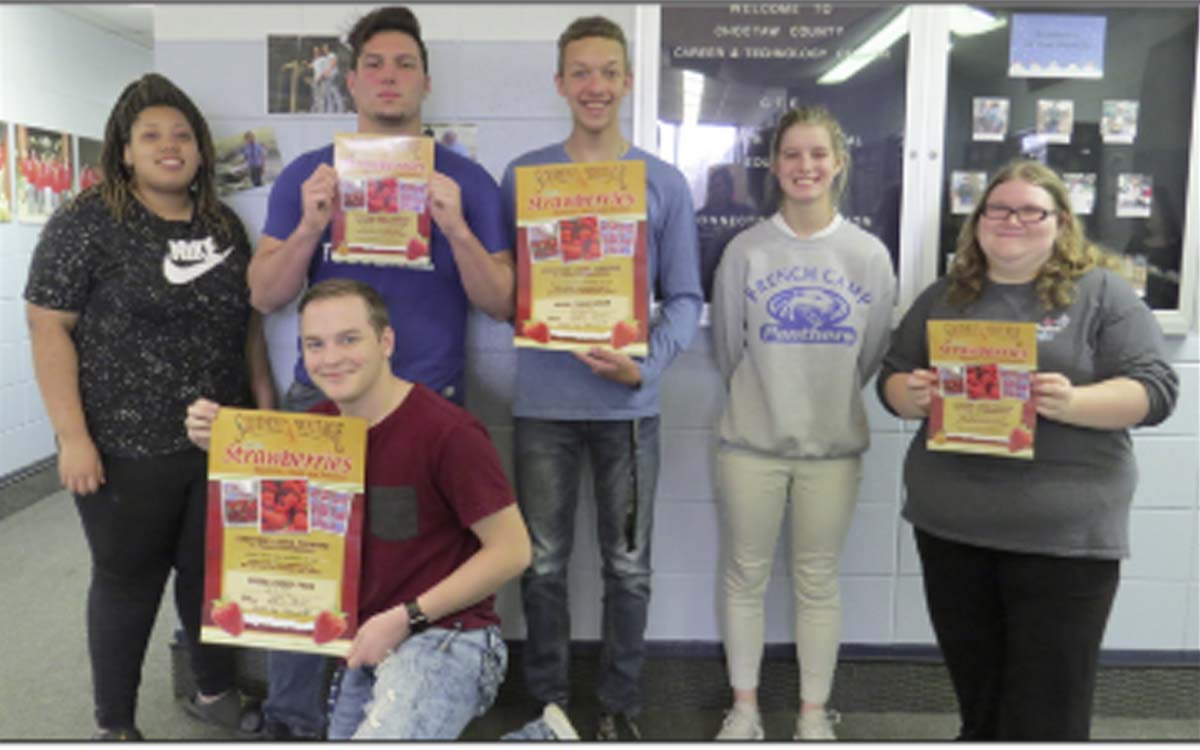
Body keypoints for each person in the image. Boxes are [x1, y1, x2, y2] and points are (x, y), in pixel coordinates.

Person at [246, 5, 512, 739]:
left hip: (427, 405)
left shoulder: (466, 180)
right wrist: (311, 224)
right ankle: (292, 718)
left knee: (409, 570)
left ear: (425, 80)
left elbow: (501, 302)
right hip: (323, 401)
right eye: (374, 65)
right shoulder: (307, 176)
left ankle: (393, 712)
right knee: (300, 566)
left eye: (404, 64)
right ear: (352, 82)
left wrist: (455, 226)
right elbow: (264, 295)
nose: (389, 77)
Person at [877, 160, 1179, 741]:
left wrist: (1073, 402)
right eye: (998, 209)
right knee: (981, 700)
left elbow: (1157, 391)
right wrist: (909, 396)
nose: (1011, 220)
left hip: (1062, 536)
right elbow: (893, 376)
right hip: (953, 528)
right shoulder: (946, 295)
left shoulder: (1102, 292)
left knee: (1048, 712)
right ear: (978, 219)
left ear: (1060, 221)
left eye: (1030, 211)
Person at [23, 72, 274, 741]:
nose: (170, 146)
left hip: (219, 441)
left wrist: (264, 413)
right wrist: (72, 437)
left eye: (182, 135)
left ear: (199, 149)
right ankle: (114, 725)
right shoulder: (87, 221)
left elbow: (247, 329)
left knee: (208, 576)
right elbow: (47, 327)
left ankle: (214, 691)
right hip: (123, 447)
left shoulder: (223, 225)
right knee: (127, 581)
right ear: (126, 150)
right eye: (152, 135)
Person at [184, 279, 539, 740]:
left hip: (449, 637)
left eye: (349, 339)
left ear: (385, 342)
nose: (331, 358)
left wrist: (405, 617)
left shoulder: (448, 432)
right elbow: (273, 530)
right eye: (315, 344)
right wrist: (223, 448)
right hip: (367, 645)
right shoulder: (311, 434)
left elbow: (513, 551)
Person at [499, 15, 702, 741]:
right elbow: (503, 288)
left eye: (608, 72)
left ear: (628, 81)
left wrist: (647, 365)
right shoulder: (524, 178)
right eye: (580, 72)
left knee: (628, 568)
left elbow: (687, 297)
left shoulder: (663, 182)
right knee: (543, 566)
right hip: (543, 406)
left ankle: (621, 706)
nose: (595, 86)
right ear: (560, 82)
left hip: (629, 408)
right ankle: (548, 705)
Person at [709, 106, 896, 741]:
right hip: (751, 445)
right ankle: (745, 709)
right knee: (746, 576)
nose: (805, 166)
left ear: (839, 163)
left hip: (832, 451)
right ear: (775, 165)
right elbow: (728, 351)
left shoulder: (868, 255)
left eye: (818, 154)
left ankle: (814, 715)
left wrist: (823, 394)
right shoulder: (745, 251)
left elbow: (870, 354)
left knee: (817, 581)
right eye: (792, 154)